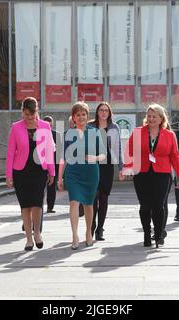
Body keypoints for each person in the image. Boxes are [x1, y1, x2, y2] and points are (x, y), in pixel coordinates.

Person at [121, 104, 179, 248]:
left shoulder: (169, 135)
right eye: (149, 116)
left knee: (158, 205)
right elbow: (129, 151)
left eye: (154, 116)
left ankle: (158, 234)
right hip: (142, 174)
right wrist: (126, 168)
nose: (151, 119)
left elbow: (175, 157)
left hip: (162, 175)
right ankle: (147, 233)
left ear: (161, 118)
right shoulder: (138, 132)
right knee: (145, 206)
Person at [6, 97, 55, 251]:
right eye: (26, 114)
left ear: (36, 112)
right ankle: (28, 238)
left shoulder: (45, 126)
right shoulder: (15, 127)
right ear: (22, 112)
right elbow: (10, 153)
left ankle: (37, 233)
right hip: (21, 171)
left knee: (37, 203)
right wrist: (9, 175)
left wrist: (52, 172)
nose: (29, 117)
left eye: (31, 114)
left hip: (39, 171)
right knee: (25, 205)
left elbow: (49, 151)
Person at [58, 101, 106, 249]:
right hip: (73, 173)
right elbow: (63, 158)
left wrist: (95, 158)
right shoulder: (68, 134)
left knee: (88, 204)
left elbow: (103, 155)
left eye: (83, 114)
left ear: (87, 116)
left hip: (90, 173)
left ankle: (88, 233)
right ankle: (74, 236)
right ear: (73, 117)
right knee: (74, 202)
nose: (81, 117)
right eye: (77, 114)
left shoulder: (94, 132)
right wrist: (60, 177)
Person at [88, 102, 123, 241]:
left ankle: (100, 229)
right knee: (93, 197)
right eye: (101, 110)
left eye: (106, 110)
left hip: (107, 164)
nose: (103, 113)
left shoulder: (114, 127)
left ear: (109, 113)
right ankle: (91, 225)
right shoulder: (90, 125)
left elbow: (117, 148)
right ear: (97, 112)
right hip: (92, 163)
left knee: (104, 197)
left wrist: (121, 168)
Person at [43, 116, 62, 213]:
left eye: (50, 125)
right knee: (40, 187)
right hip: (41, 164)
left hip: (53, 164)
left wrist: (58, 169)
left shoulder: (56, 135)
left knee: (51, 187)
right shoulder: (38, 134)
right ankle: (39, 206)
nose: (48, 127)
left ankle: (50, 207)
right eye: (46, 125)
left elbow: (59, 153)